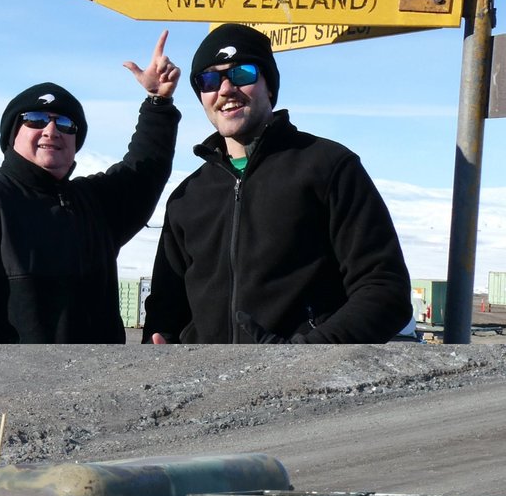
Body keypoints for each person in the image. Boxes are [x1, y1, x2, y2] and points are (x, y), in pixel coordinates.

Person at [0, 31, 181, 343]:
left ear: (75, 141)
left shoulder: (95, 205)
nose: (51, 130)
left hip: (96, 387)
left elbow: (145, 169)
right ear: (12, 135)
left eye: (65, 124)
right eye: (35, 119)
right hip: (5, 389)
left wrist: (158, 101)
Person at [142, 24, 412, 345]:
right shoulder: (188, 198)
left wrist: (304, 354)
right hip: (209, 386)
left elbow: (384, 290)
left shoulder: (328, 167)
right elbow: (164, 313)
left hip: (310, 386)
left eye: (242, 73)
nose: (226, 89)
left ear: (269, 86)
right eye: (209, 80)